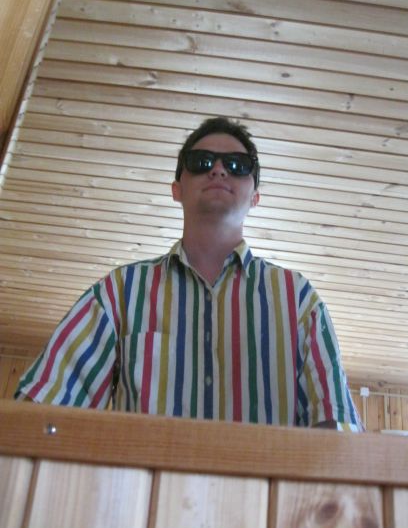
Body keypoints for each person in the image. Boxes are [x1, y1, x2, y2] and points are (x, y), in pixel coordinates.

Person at [15, 117, 362, 431]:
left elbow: (336, 428)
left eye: (237, 165)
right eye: (201, 162)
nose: (219, 170)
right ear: (176, 189)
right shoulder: (119, 292)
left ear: (254, 196)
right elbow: (41, 409)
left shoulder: (298, 299)